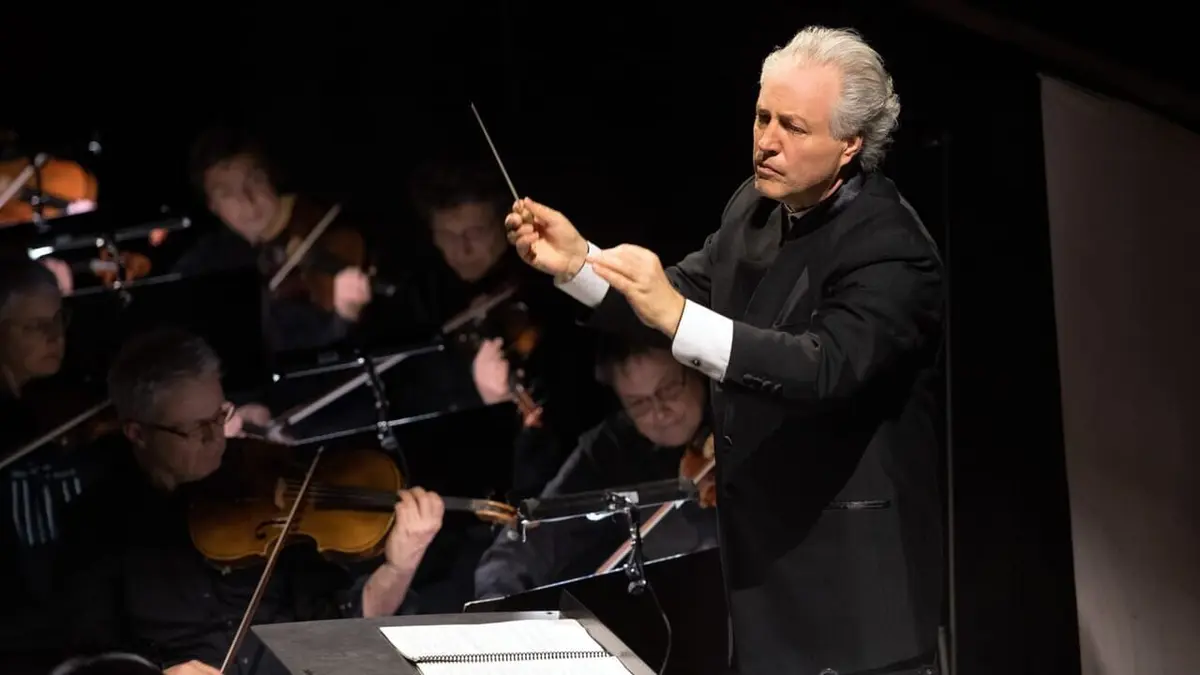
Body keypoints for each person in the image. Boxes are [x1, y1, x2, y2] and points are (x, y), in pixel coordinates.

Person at [505, 26, 944, 675]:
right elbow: (676, 294)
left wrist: (678, 313)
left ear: (850, 143)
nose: (767, 141)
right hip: (761, 572)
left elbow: (820, 367)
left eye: (793, 126)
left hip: (847, 588)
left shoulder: (892, 247)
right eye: (763, 117)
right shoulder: (755, 206)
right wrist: (581, 263)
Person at [52, 327, 445, 675]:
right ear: (137, 433)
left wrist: (398, 568)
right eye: (196, 429)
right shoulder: (97, 524)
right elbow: (91, 661)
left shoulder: (265, 482)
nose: (217, 439)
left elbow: (343, 628)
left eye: (219, 416)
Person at [473, 334, 719, 599]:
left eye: (669, 389)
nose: (659, 411)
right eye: (638, 403)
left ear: (695, 371)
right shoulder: (611, 449)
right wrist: (497, 601)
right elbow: (529, 541)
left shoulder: (737, 423)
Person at [172, 127, 374, 354]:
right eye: (227, 193)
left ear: (270, 177)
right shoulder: (207, 258)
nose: (247, 200)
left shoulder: (325, 229)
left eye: (254, 180)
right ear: (212, 206)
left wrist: (345, 316)